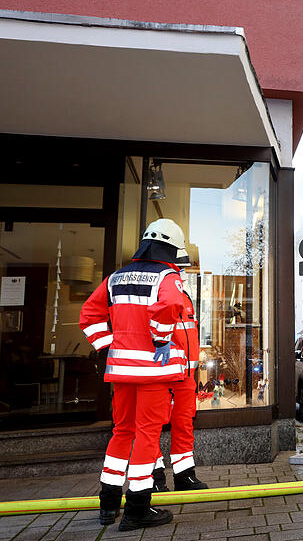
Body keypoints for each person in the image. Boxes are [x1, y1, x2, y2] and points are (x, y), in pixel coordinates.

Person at [79, 218, 191, 530]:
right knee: (146, 435)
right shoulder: (168, 276)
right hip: (153, 373)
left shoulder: (115, 277)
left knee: (122, 431)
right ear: (171, 248)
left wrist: (108, 347)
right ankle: (138, 508)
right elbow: (169, 304)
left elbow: (88, 314)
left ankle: (108, 503)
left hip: (121, 372)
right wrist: (160, 337)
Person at [152, 260, 209, 494]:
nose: (184, 273)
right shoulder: (158, 289)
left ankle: (185, 475)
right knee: (151, 425)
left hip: (184, 374)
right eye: (181, 268)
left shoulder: (184, 295)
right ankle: (154, 477)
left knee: (184, 423)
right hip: (162, 371)